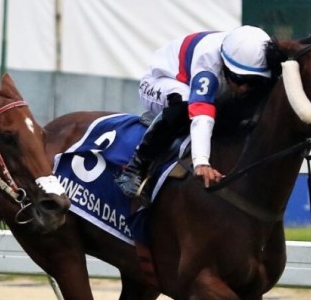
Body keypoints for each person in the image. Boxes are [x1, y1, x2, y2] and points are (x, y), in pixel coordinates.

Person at [115, 25, 279, 197]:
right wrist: (201, 162)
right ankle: (135, 167)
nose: (244, 88)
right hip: (163, 81)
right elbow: (202, 115)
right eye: (238, 78)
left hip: (201, 85)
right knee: (185, 105)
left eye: (253, 81)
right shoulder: (208, 62)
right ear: (224, 64)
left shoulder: (262, 59)